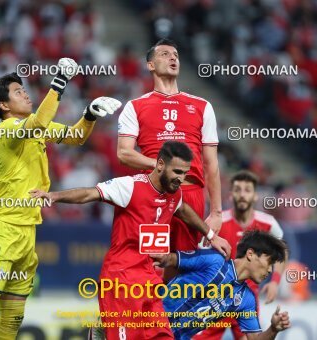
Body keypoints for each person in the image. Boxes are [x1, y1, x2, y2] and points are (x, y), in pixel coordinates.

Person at [0, 58, 122, 339]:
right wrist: (59, 82)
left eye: (24, 90)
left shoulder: (34, 128)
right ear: (4, 106)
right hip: (1, 231)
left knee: (13, 320)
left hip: (26, 234)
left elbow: (74, 137)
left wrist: (89, 115)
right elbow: (37, 123)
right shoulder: (6, 130)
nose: (25, 93)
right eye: (17, 91)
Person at [30, 141, 231, 340]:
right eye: (177, 171)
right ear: (160, 164)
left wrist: (211, 236)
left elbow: (183, 209)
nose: (181, 178)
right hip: (121, 279)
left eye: (185, 173)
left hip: (150, 280)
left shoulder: (173, 193)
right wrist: (54, 196)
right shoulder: (130, 186)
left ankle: (102, 333)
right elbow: (89, 193)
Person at [117, 39, 222, 272]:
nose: (173, 58)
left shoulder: (202, 106)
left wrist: (216, 211)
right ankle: (148, 308)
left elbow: (211, 163)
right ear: (150, 65)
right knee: (152, 265)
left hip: (191, 193)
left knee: (185, 266)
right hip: (154, 195)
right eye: (165, 54)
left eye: (175, 54)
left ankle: (177, 309)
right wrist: (163, 166)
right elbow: (124, 153)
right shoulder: (135, 106)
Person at [151, 230, 290, 340]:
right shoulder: (215, 261)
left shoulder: (246, 300)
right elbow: (171, 259)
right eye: (269, 262)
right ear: (250, 254)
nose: (270, 270)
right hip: (148, 322)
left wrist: (273, 328)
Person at [196, 170, 286, 339]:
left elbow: (283, 252)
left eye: (247, 190)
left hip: (246, 299)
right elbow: (200, 255)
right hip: (216, 297)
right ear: (231, 195)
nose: (242, 195)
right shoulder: (218, 222)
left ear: (255, 196)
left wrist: (275, 282)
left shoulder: (268, 223)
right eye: (238, 190)